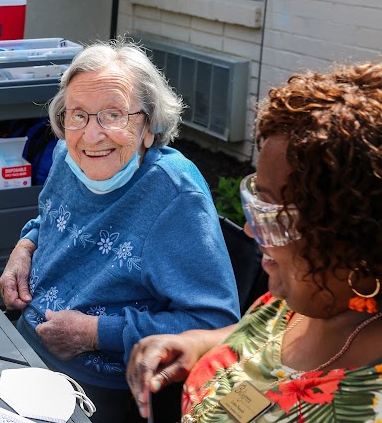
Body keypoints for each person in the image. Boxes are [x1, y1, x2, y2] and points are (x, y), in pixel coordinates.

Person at [0, 39, 240, 422]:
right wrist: (24, 246)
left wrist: (95, 333)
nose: (92, 136)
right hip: (23, 343)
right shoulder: (68, 153)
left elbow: (216, 325)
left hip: (95, 386)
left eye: (113, 115)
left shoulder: (173, 195)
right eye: (78, 115)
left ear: (149, 125)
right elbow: (48, 217)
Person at [126, 62, 382, 422]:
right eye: (257, 200)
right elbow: (260, 338)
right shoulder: (305, 299)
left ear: (357, 237)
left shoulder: (366, 406)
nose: (249, 229)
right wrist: (196, 344)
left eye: (275, 215)